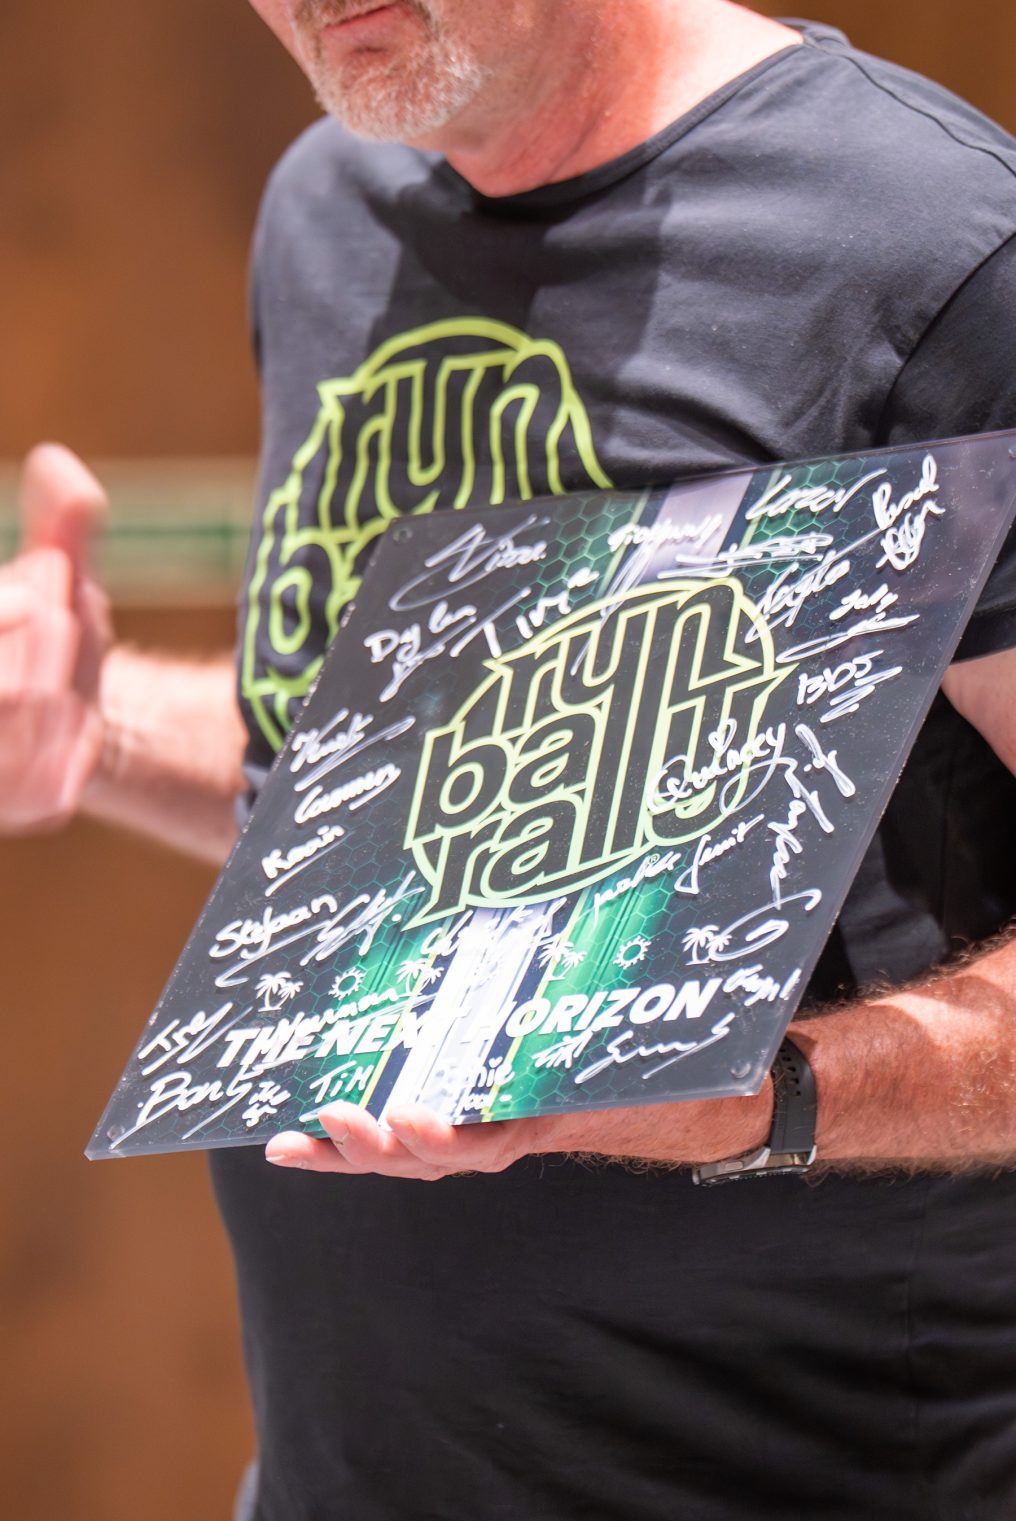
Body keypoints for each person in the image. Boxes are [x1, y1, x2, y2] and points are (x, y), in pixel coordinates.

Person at [6, 2, 1016, 1515]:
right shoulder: (327, 208)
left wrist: (760, 1101)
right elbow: (382, 797)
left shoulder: (934, 246)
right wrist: (97, 728)